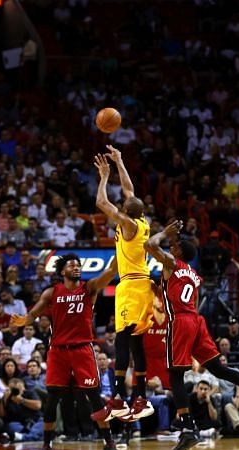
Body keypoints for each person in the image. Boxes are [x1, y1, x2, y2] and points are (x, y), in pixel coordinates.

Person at [144, 220, 239, 450]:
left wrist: (164, 233)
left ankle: (187, 428)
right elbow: (188, 300)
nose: (170, 247)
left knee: (174, 374)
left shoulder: (173, 264)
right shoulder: (194, 275)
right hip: (196, 320)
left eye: (173, 246)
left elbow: (149, 244)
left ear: (178, 252)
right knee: (217, 368)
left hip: (180, 320)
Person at [10, 253, 122, 450]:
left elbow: (111, 272)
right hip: (59, 350)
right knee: (52, 399)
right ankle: (46, 447)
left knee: (95, 397)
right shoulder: (52, 292)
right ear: (62, 271)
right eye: (72, 265)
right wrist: (26, 319)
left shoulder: (89, 288)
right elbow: (34, 313)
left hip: (82, 349)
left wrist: (120, 249)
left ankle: (109, 444)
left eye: (78, 265)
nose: (76, 267)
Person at [92, 148, 155, 420]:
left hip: (132, 286)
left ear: (127, 213)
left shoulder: (128, 225)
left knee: (122, 339)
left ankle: (118, 398)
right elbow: (129, 190)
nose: (122, 200)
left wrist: (104, 176)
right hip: (141, 284)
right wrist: (119, 161)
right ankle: (140, 397)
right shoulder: (141, 221)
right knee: (136, 343)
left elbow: (101, 203)